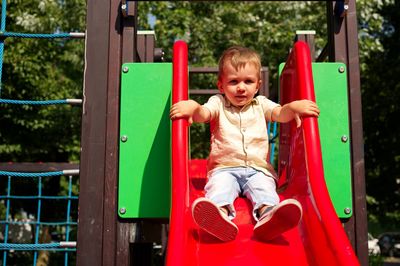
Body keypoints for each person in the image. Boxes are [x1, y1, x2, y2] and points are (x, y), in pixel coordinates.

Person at [170, 46, 320, 242]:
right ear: (221, 86)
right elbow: (203, 114)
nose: (241, 87)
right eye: (233, 82)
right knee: (220, 188)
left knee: (264, 189)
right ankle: (219, 216)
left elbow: (280, 114)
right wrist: (193, 107)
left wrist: (293, 107)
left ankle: (269, 217)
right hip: (224, 169)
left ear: (257, 85)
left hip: (258, 169)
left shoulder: (261, 104)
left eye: (248, 81)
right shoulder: (217, 103)